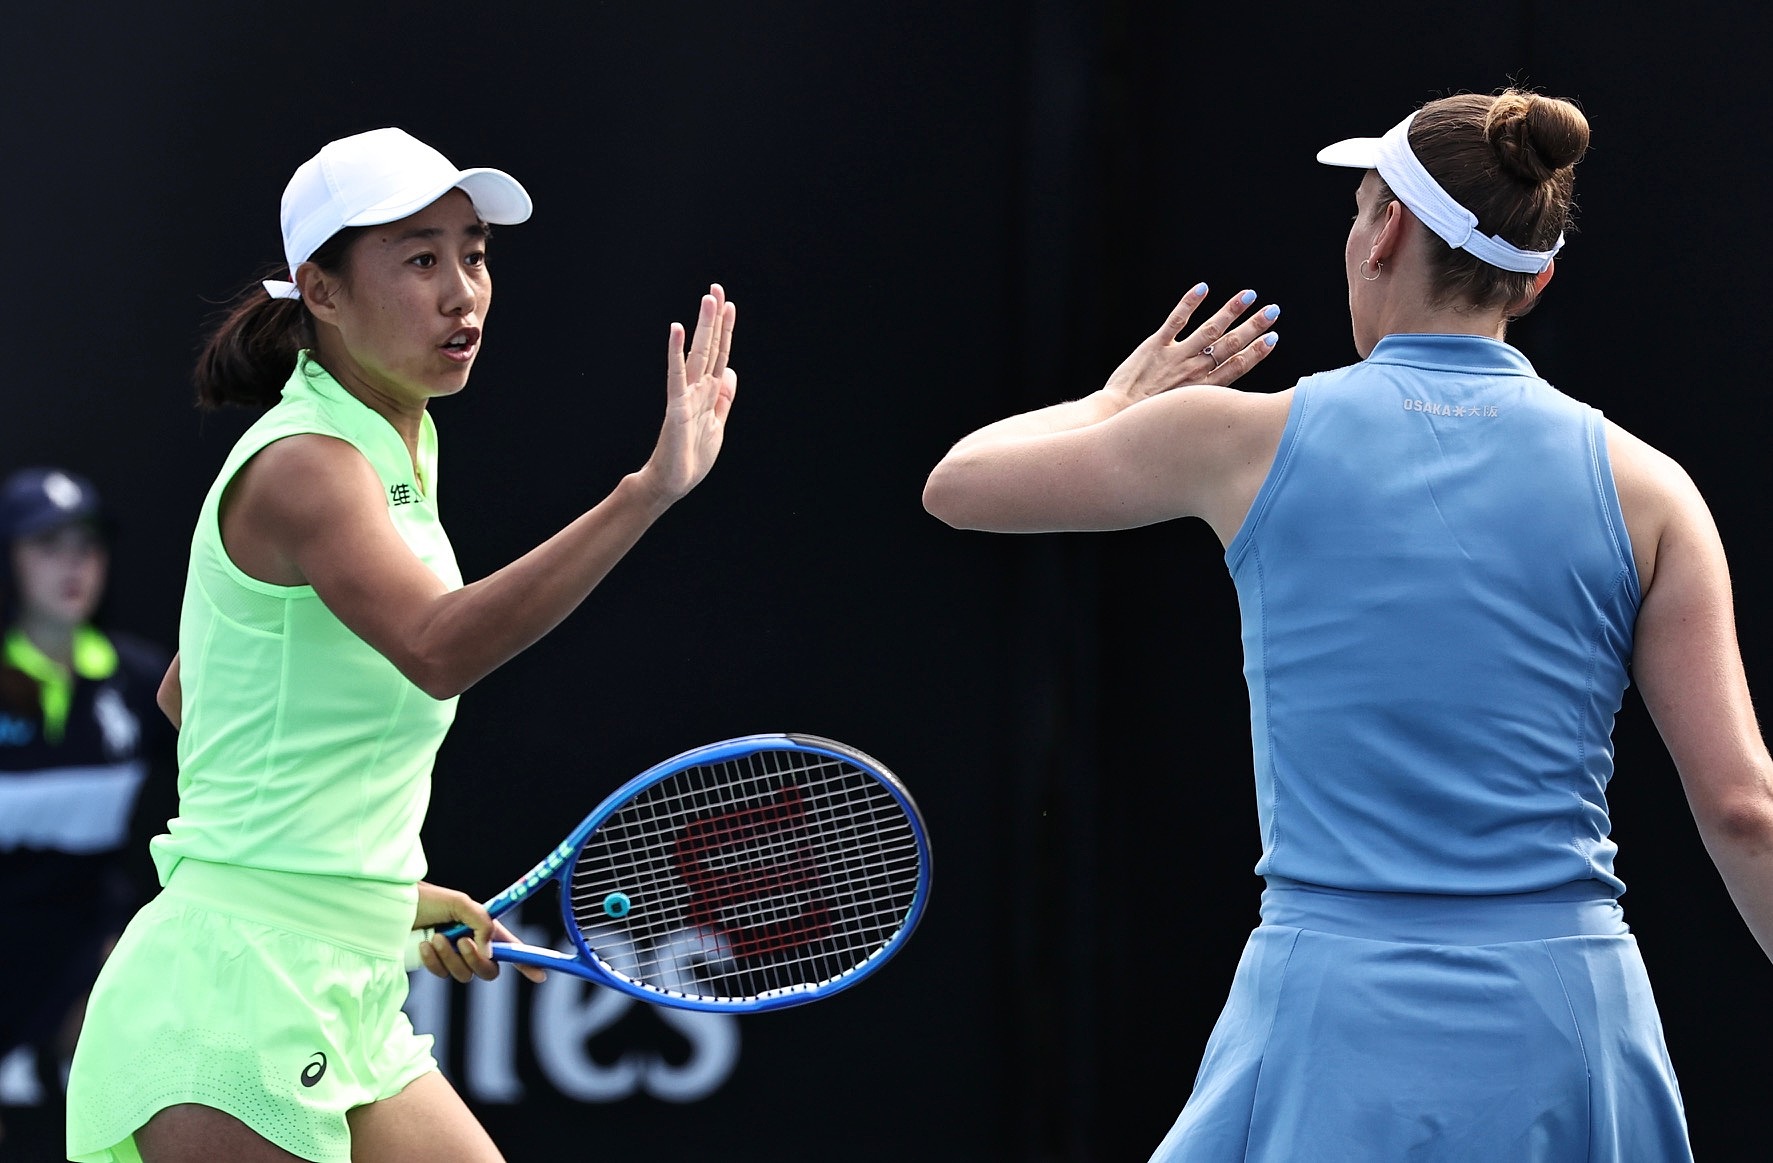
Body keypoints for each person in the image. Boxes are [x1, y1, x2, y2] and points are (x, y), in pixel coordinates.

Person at [924, 88, 1773, 1160]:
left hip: (1332, 1017)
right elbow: (1747, 809)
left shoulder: (1237, 440)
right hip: (1572, 1022)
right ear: (1535, 276)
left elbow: (959, 484)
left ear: (1388, 233)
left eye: (1360, 206)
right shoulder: (1653, 489)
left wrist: (1119, 396)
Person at [65, 127, 738, 1162]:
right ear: (321, 292)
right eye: (420, 258)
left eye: (474, 253)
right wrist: (645, 494)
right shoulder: (309, 465)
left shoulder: (402, 438)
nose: (463, 290)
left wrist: (382, 892)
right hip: (233, 993)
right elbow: (435, 647)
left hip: (349, 987)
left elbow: (196, 688)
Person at [0, 468, 172, 1133]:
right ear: (10, 560)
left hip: (81, 959)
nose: (73, 564)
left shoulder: (138, 680)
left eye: (87, 545)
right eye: (48, 544)